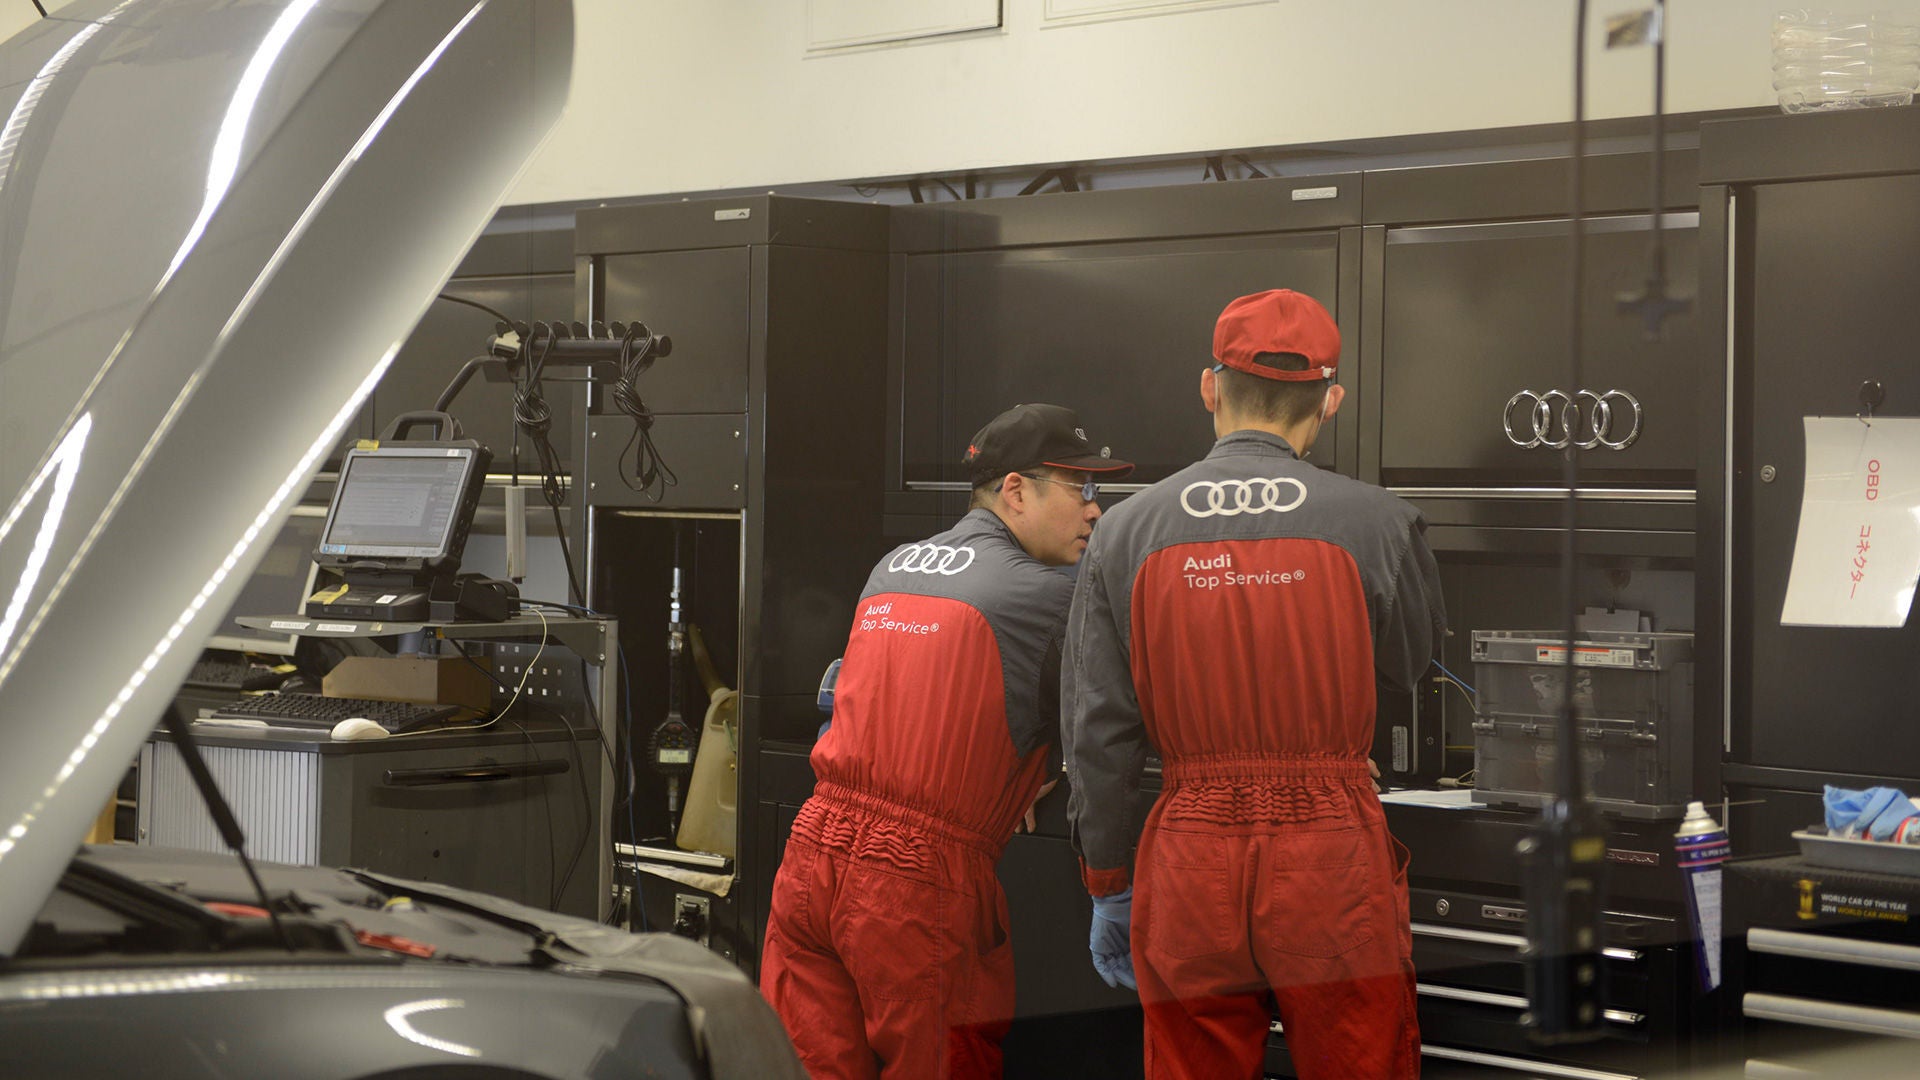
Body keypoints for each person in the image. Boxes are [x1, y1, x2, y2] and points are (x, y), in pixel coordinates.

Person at [1062, 289, 1445, 1079]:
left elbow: (1098, 730)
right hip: (1330, 855)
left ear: (1210, 388)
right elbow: (1408, 665)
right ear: (1330, 401)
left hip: (1189, 856)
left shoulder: (1123, 530)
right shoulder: (1382, 520)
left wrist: (1107, 880)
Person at [761, 403, 1133, 1079]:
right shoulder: (1054, 596)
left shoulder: (891, 566)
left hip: (810, 859)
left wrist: (1018, 768)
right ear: (1016, 491)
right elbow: (1113, 723)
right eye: (1080, 488)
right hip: (916, 885)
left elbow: (880, 711)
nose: (1094, 511)